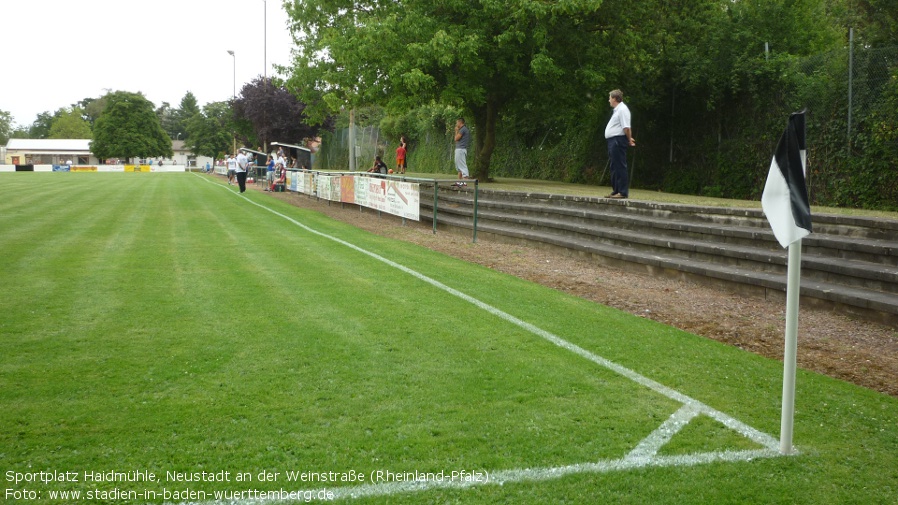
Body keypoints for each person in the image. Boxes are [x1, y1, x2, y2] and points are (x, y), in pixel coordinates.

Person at [604, 89, 636, 199]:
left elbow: (626, 127)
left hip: (617, 140)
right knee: (614, 166)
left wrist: (629, 139)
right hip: (613, 140)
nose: (609, 100)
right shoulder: (617, 111)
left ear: (615, 99)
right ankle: (616, 190)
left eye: (610, 98)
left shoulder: (622, 110)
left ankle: (622, 192)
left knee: (620, 165)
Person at [454, 118, 470, 187]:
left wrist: (456, 131)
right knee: (459, 167)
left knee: (462, 166)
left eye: (457, 122)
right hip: (459, 149)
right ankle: (459, 182)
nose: (456, 124)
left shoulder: (463, 129)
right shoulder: (463, 129)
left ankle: (464, 182)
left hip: (461, 149)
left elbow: (456, 138)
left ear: (460, 122)